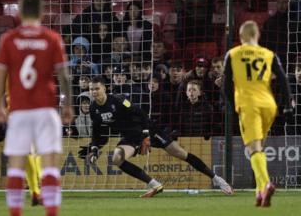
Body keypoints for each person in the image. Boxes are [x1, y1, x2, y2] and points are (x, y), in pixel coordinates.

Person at [0, 0, 73, 216]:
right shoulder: (52, 38)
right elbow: (64, 75)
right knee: (50, 165)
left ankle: (16, 212)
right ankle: (51, 212)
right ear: (42, 14)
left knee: (15, 166)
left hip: (20, 112)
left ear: (20, 14)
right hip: (45, 110)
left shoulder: (10, 39)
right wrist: (67, 104)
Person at [79, 76, 233, 197]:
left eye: (96, 89)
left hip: (148, 129)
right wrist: (94, 147)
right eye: (91, 89)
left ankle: (217, 180)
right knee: (117, 158)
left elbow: (141, 114)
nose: (93, 92)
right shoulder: (94, 109)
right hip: (131, 137)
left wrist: (146, 135)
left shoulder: (119, 100)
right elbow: (98, 132)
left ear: (104, 88)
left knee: (180, 153)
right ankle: (154, 184)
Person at [223, 21, 294, 207]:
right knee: (260, 147)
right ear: (257, 36)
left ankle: (265, 184)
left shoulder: (233, 54)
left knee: (253, 149)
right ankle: (259, 194)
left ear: (240, 37)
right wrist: (288, 104)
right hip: (268, 105)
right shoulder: (269, 54)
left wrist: (233, 104)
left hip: (249, 105)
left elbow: (226, 85)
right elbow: (284, 79)